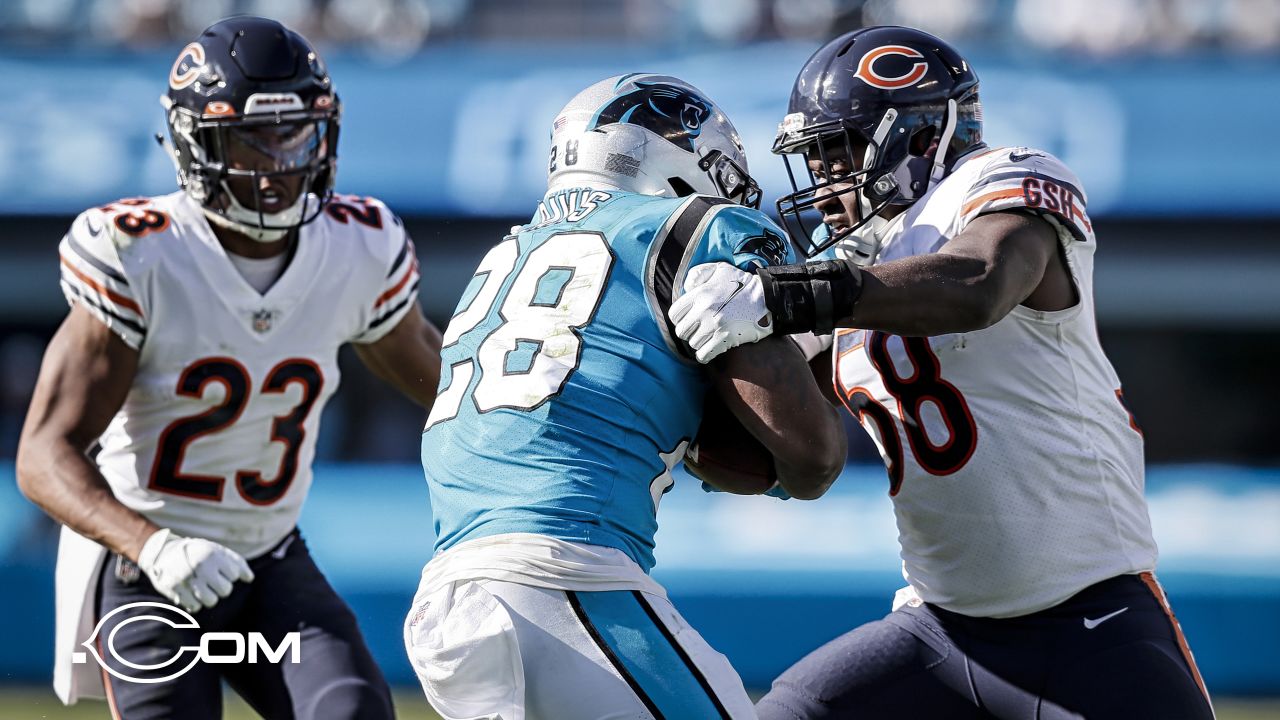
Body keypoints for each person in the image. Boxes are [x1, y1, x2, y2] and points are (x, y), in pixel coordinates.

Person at [669, 26, 1215, 720]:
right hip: (940, 629)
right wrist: (695, 400)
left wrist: (789, 295)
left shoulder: (1001, 181)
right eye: (817, 163)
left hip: (1091, 619)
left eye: (838, 156)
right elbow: (784, 440)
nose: (826, 185)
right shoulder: (861, 270)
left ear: (923, 137)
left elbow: (979, 282)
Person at [16, 16, 442, 719]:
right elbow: (41, 454)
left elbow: (443, 383)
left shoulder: (360, 247)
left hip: (269, 556)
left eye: (293, 135)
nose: (275, 164)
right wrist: (153, 547)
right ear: (193, 144)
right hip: (146, 565)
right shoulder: (141, 252)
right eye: (249, 139)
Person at [404, 74, 846, 719]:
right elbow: (814, 459)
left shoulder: (503, 255)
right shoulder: (698, 227)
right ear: (668, 157)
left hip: (447, 596)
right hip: (564, 573)